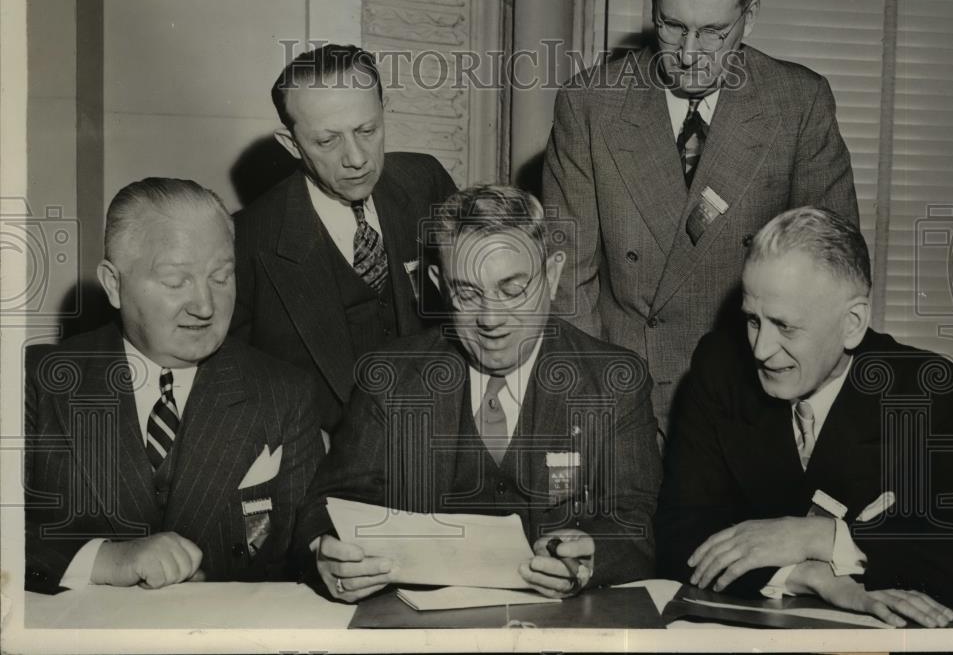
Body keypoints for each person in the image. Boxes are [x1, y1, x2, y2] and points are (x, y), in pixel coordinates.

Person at [542, 0, 859, 442]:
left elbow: (833, 277)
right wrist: (602, 409)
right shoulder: (589, 105)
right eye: (672, 26)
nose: (689, 54)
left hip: (753, 401)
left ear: (749, 18)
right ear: (653, 3)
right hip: (625, 398)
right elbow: (568, 283)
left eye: (713, 31)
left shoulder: (798, 105)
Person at [293, 185, 661, 602]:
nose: (490, 318)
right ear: (439, 284)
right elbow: (327, 507)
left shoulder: (613, 381)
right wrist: (326, 554)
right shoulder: (391, 379)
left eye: (512, 290)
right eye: (467, 293)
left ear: (552, 276)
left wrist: (590, 558)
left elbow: (635, 527)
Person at [656, 207, 953, 627]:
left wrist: (818, 536)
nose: (761, 349)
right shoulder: (719, 368)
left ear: (852, 324)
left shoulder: (923, 391)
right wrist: (807, 576)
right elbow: (678, 537)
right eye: (753, 320)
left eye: (785, 326)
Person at [24, 178, 325, 594]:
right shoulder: (36, 382)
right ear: (113, 284)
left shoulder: (286, 394)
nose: (205, 306)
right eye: (175, 281)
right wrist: (104, 559)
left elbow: (305, 551)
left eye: (221, 277)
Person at [232, 44, 457, 432]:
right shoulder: (248, 239)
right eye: (327, 141)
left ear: (384, 112)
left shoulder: (425, 181)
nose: (356, 158)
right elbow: (232, 378)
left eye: (367, 131)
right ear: (291, 144)